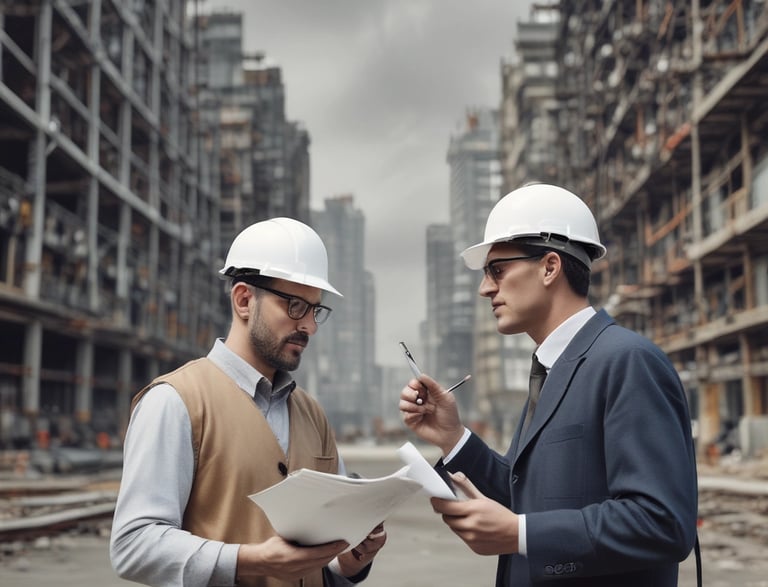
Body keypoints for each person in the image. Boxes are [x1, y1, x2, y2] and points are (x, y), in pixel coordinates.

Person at [399, 184, 698, 586]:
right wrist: (452, 438)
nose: (485, 287)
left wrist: (521, 534)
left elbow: (662, 523)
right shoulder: (552, 369)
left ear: (550, 267)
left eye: (497, 270)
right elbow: (527, 495)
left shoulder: (627, 361)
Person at [111, 217, 386, 587]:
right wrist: (250, 560)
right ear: (244, 300)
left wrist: (352, 557)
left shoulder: (312, 415)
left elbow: (328, 560)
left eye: (315, 310)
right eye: (294, 306)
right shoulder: (175, 402)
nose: (309, 326)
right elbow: (133, 545)